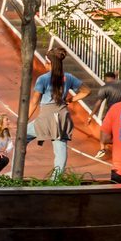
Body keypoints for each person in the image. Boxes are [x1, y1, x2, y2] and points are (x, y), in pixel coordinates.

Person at [29, 46, 87, 177]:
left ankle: (14, 174)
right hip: (62, 117)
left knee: (22, 138)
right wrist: (70, 100)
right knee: (60, 149)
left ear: (49, 63)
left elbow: (34, 102)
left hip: (46, 117)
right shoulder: (68, 77)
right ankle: (56, 180)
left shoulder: (43, 79)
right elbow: (86, 91)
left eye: (46, 62)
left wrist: (24, 120)